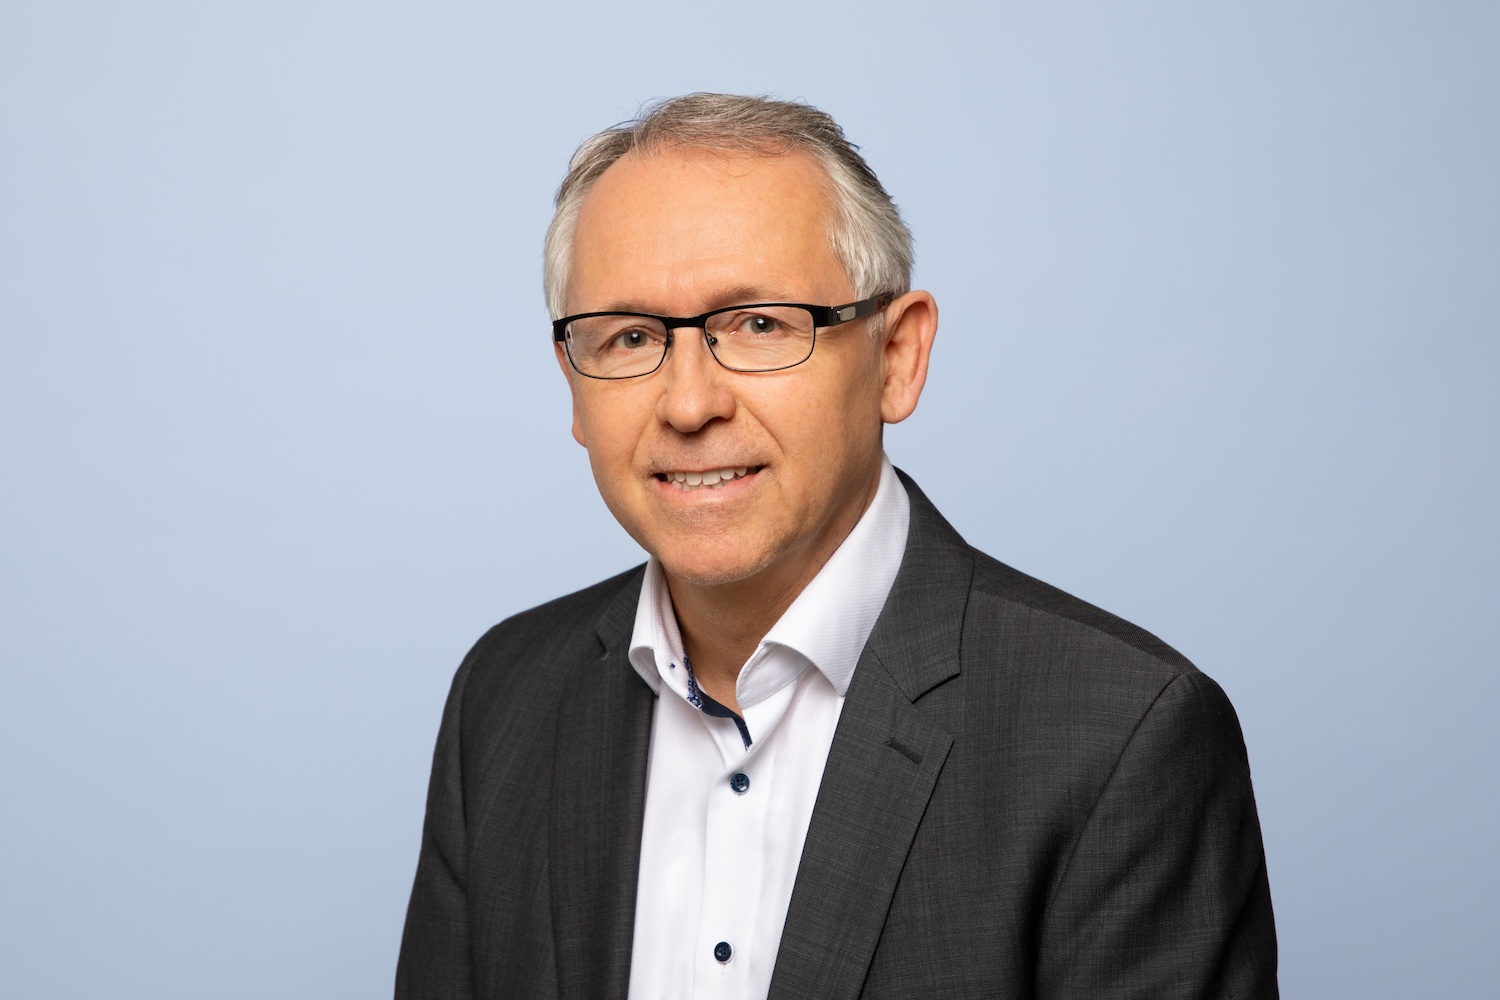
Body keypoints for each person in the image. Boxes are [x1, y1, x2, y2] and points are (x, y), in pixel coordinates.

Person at [395, 93, 1277, 1000]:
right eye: (629, 337)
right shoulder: (504, 698)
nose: (689, 404)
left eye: (761, 325)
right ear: (575, 389)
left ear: (897, 357)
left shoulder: (1120, 734)